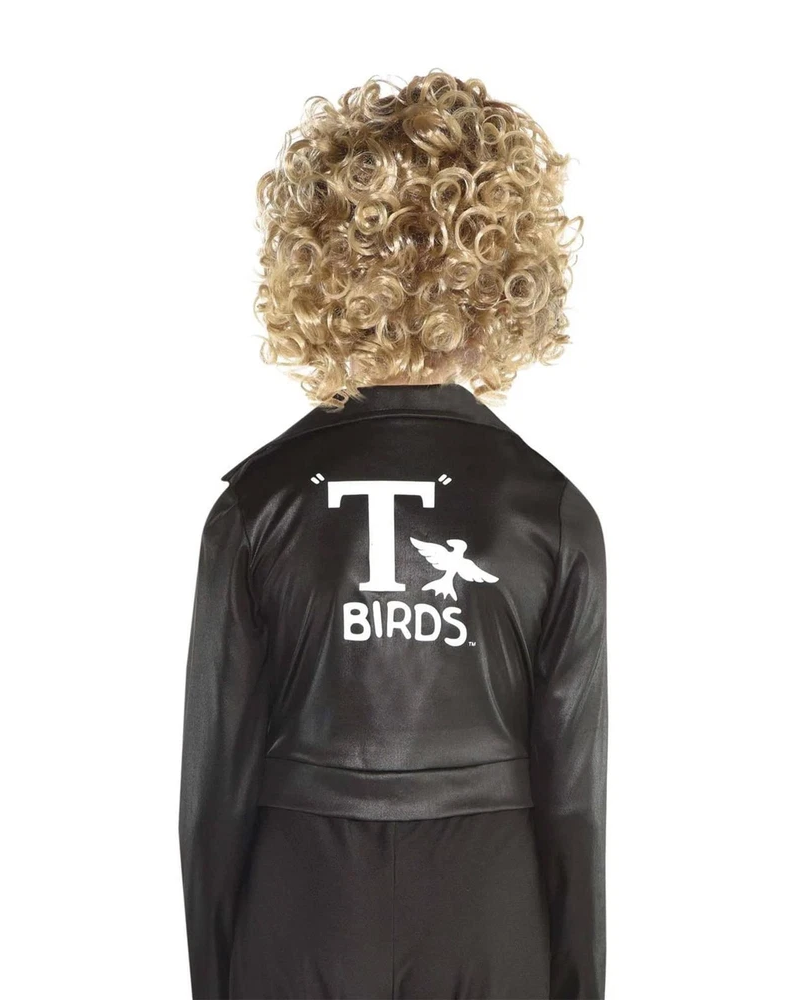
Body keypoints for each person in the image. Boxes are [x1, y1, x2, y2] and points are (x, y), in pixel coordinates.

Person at [178, 70, 607, 1000]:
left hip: (302, 906)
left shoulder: (255, 505)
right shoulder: (553, 510)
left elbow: (213, 799)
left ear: (324, 264)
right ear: (504, 271)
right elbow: (575, 806)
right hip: (489, 910)